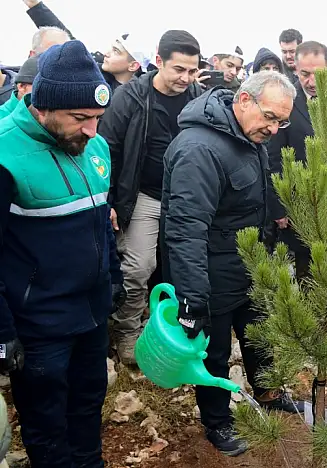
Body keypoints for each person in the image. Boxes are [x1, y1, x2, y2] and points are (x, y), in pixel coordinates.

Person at [0, 40, 124, 467]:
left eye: (97, 118)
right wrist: (2, 331)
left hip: (91, 313)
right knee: (47, 421)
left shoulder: (94, 147)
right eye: (80, 118)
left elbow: (101, 219)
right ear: (43, 106)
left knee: (88, 404)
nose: (92, 131)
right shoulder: (5, 155)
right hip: (39, 324)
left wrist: (113, 277)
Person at [162, 71, 296, 456]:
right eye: (269, 117)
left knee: (257, 336)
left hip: (247, 264)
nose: (274, 129)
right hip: (209, 272)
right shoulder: (198, 150)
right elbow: (186, 230)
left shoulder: (248, 137)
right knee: (214, 352)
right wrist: (192, 298)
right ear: (244, 100)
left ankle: (267, 391)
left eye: (281, 121)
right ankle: (217, 421)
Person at [98, 30, 205, 365]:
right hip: (142, 193)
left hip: (185, 197)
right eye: (178, 69)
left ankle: (172, 328)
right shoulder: (130, 97)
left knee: (182, 267)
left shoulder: (199, 98)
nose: (185, 78)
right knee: (139, 266)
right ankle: (127, 332)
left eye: (192, 70)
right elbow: (107, 148)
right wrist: (109, 200)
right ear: (159, 61)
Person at [266, 40, 327, 282]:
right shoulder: (286, 101)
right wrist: (279, 206)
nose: (312, 82)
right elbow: (274, 157)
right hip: (300, 202)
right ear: (295, 69)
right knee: (306, 272)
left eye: (319, 74)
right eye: (305, 74)